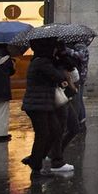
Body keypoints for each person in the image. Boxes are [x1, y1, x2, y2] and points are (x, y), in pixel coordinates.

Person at [21, 38, 74, 176]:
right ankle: (36, 164)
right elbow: (58, 76)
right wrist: (59, 61)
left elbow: (66, 70)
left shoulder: (43, 61)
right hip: (37, 104)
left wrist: (60, 58)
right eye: (54, 47)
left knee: (54, 131)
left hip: (44, 103)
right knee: (43, 134)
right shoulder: (42, 62)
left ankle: (35, 158)